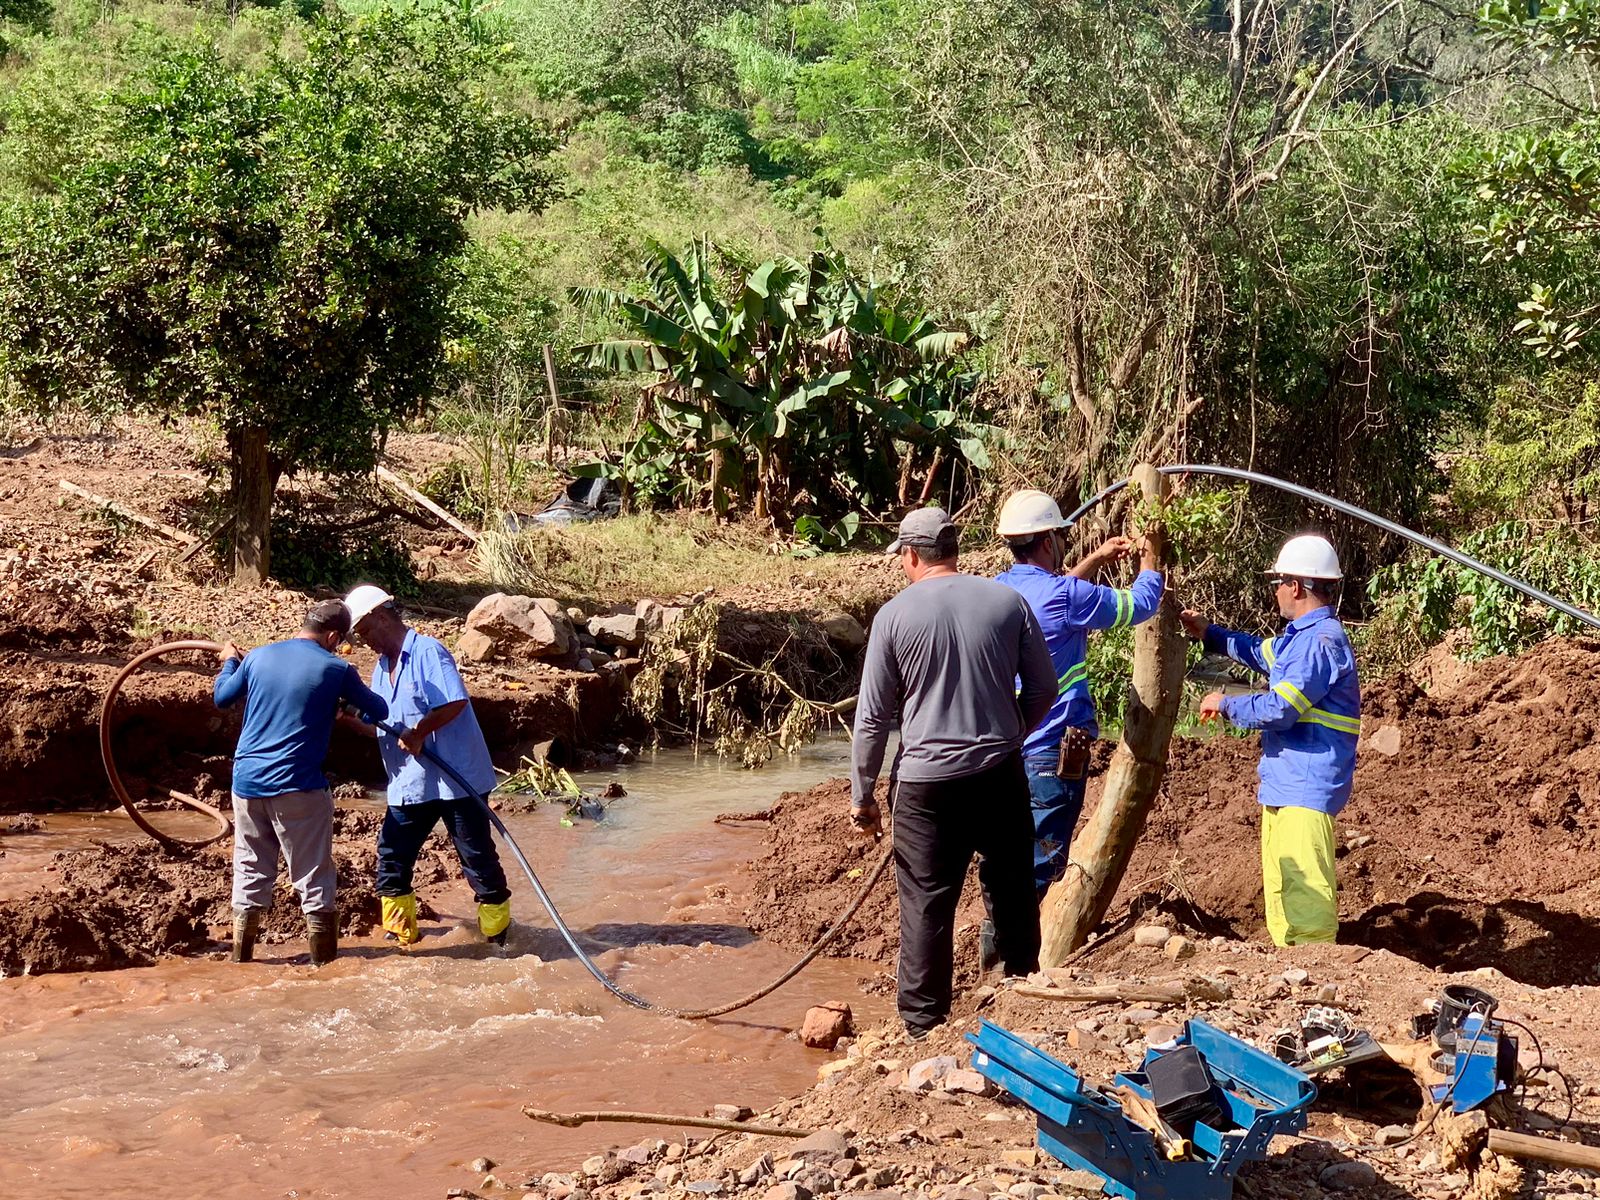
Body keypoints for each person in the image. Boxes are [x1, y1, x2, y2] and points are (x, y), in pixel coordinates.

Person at [851, 507, 1057, 1040]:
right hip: (999, 773)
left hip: (925, 786)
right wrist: (1009, 733)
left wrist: (863, 796)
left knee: (926, 901)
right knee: (1011, 886)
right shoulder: (1007, 602)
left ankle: (923, 1026)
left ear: (912, 555)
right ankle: (1022, 996)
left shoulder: (893, 617)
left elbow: (873, 719)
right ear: (953, 552)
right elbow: (1044, 692)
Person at [1179, 534, 1361, 947]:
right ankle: (1289, 968)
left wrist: (1226, 704)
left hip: (1306, 784)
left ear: (1295, 586)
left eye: (1278, 582)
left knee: (1305, 891)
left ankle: (1316, 968)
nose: (1275, 590)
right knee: (1282, 886)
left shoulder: (1318, 642)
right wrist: (1210, 633)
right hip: (1286, 781)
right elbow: (1259, 652)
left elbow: (1280, 710)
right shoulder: (1300, 638)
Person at [993, 489, 1166, 897]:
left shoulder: (999, 591)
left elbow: (1051, 595)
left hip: (1005, 753)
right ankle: (1011, 955)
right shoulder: (1067, 597)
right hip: (1053, 752)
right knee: (1043, 865)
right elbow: (1140, 605)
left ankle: (999, 946)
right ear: (1050, 541)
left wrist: (1095, 560)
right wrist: (1150, 560)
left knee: (1007, 856)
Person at [213, 600, 388, 966]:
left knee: (250, 867)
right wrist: (343, 706)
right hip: (298, 785)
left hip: (247, 782)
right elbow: (380, 711)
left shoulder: (258, 657)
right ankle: (324, 969)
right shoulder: (336, 668)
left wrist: (231, 659)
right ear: (334, 636)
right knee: (313, 877)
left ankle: (241, 960)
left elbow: (222, 696)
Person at [341, 585, 512, 947]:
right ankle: (402, 938)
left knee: (476, 857)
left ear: (382, 618)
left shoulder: (428, 652)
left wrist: (419, 732)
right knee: (392, 856)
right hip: (410, 784)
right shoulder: (380, 669)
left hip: (457, 780)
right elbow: (382, 724)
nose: (364, 640)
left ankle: (499, 939)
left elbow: (453, 703)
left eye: (365, 631)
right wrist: (348, 721)